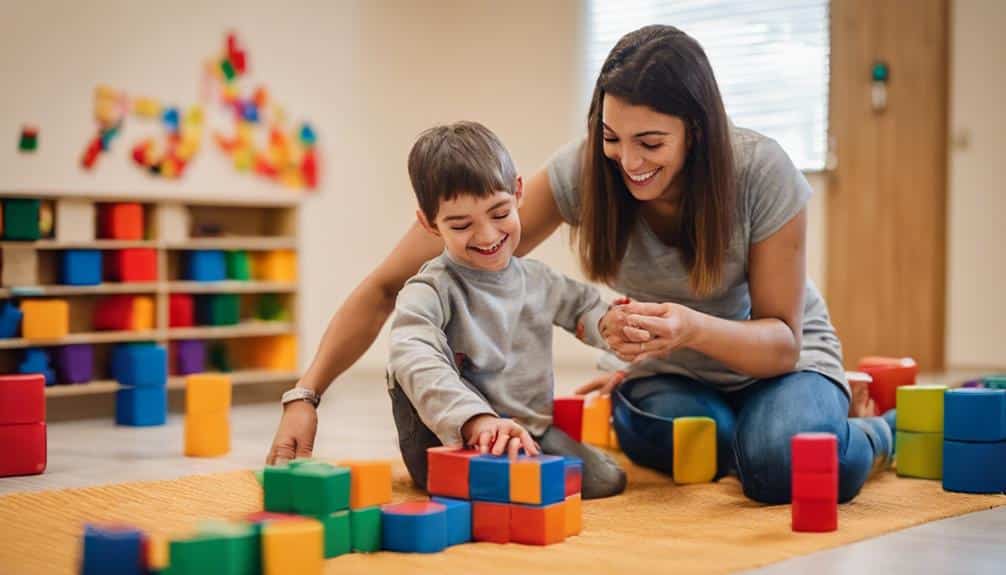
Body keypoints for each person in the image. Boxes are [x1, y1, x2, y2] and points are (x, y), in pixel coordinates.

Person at [268, 25, 892, 504]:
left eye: (651, 144)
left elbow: (782, 343)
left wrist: (691, 328)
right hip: (669, 376)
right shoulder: (587, 170)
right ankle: (759, 436)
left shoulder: (762, 172)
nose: (629, 162)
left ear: (697, 130)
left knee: (781, 466)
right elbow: (389, 284)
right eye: (612, 138)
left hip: (778, 364)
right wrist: (306, 394)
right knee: (689, 440)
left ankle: (871, 432)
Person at [385, 121, 625, 498]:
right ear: (429, 224)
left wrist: (613, 325)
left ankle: (518, 455)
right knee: (502, 490)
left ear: (517, 192)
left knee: (606, 480)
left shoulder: (537, 279)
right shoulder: (431, 288)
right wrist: (477, 421)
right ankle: (480, 444)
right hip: (451, 435)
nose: (487, 236)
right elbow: (411, 352)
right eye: (461, 224)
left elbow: (584, 308)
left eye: (499, 214)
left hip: (529, 429)